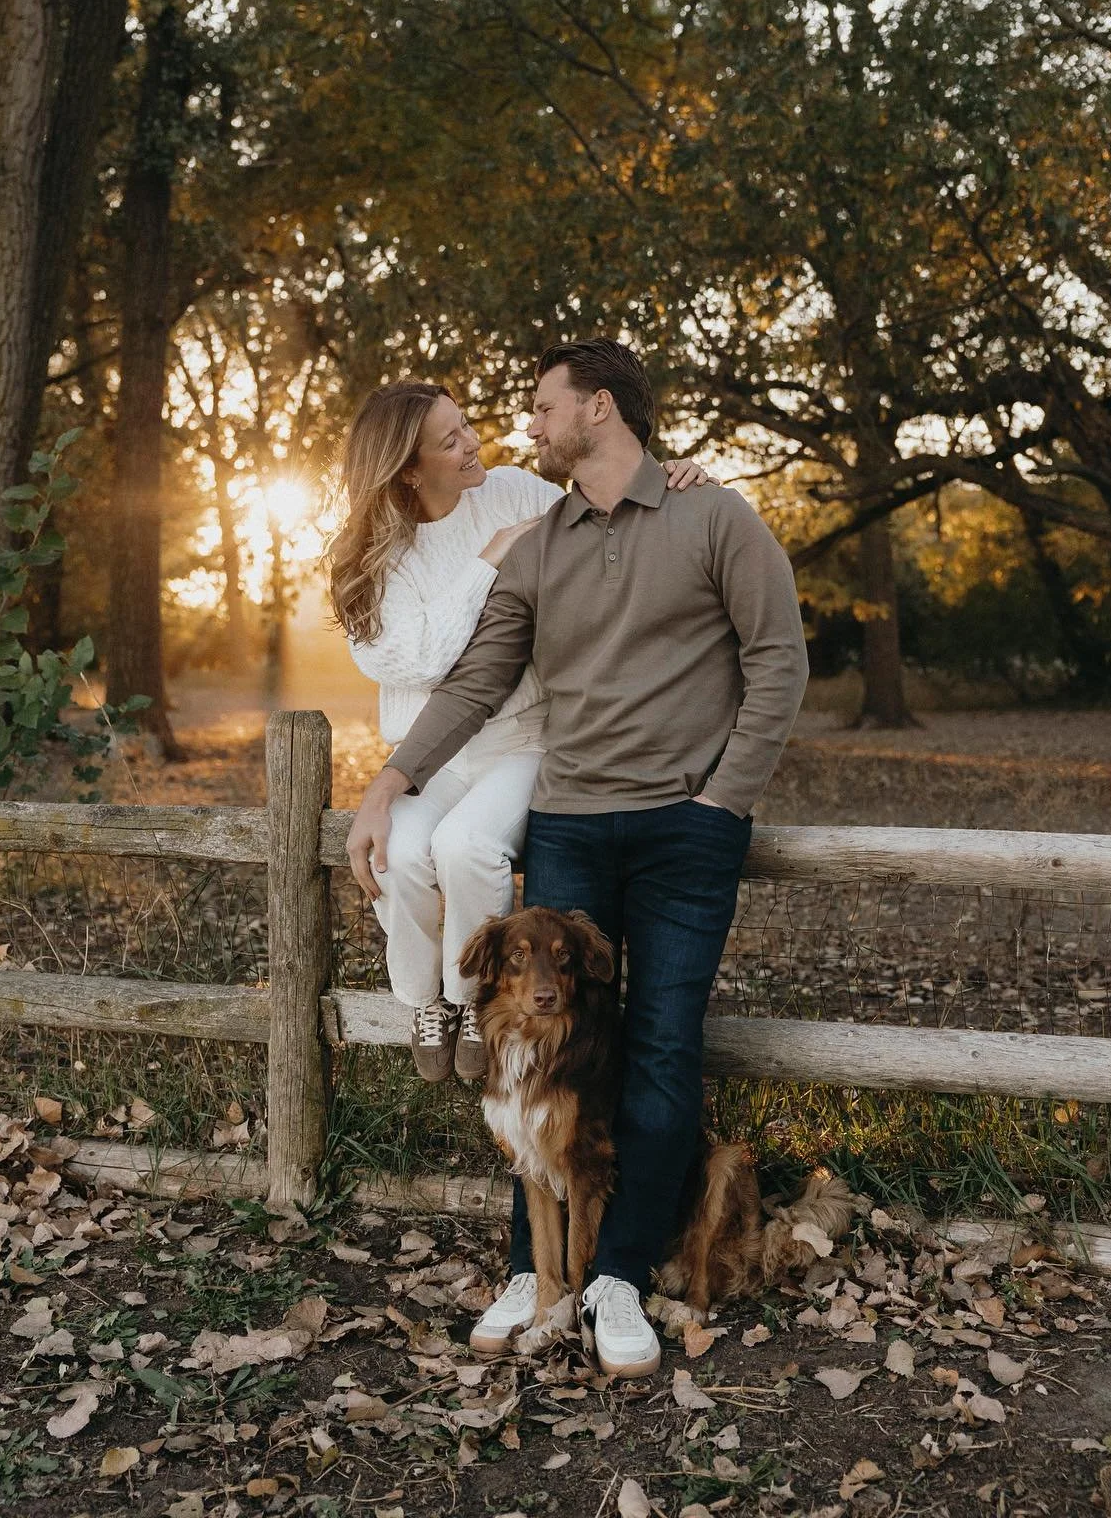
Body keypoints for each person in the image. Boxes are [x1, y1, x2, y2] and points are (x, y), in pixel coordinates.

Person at [345, 341, 809, 1378]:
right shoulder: (541, 544)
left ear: (597, 410)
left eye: (545, 408)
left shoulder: (714, 516)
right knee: (550, 1049)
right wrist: (386, 785)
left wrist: (721, 800)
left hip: (685, 834)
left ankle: (620, 1277)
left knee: (660, 1042)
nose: (531, 427)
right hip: (567, 823)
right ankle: (534, 1270)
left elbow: (778, 658)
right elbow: (474, 685)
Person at [326, 380, 713, 1085]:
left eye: (465, 423)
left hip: (520, 742)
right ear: (407, 469)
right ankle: (427, 1002)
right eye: (450, 441)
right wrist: (492, 561)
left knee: (468, 846)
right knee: (399, 855)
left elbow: (611, 515)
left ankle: (477, 1001)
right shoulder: (373, 563)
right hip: (431, 757)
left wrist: (680, 478)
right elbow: (425, 657)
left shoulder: (513, 494)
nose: (473, 442)